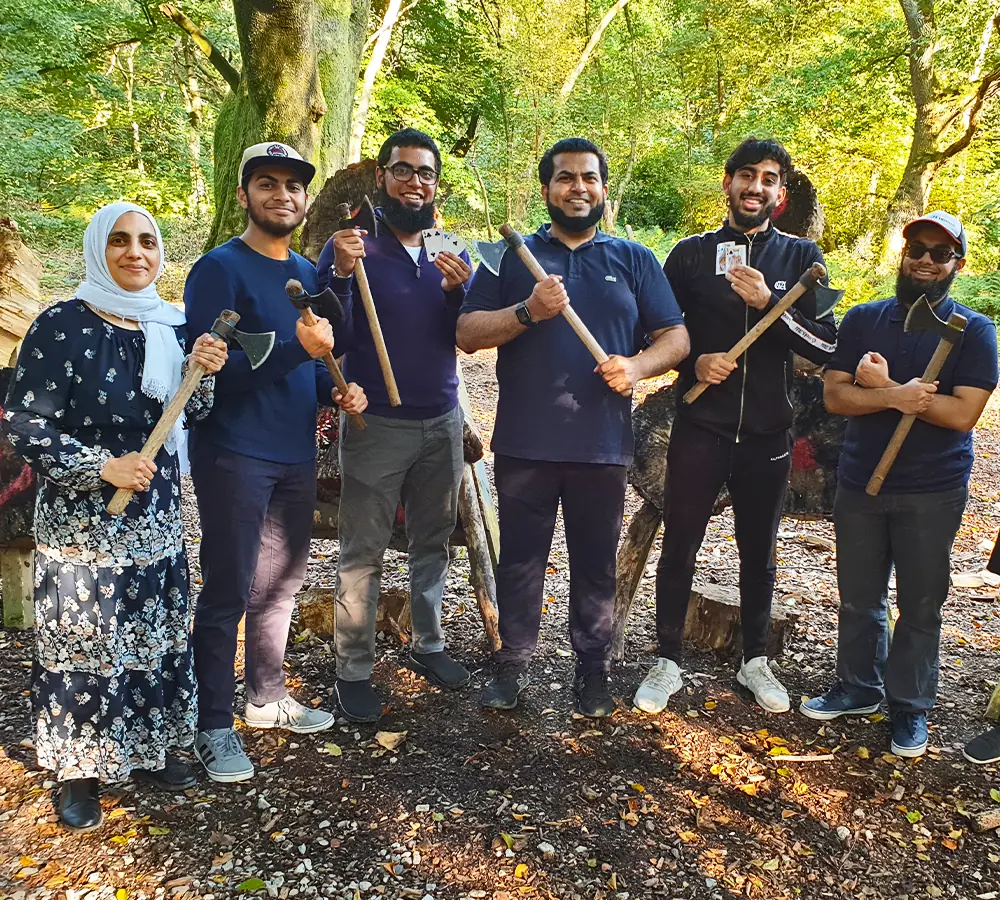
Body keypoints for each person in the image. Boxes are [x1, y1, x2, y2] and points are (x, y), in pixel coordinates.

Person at [2, 202, 228, 831]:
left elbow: (193, 414)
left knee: (151, 632)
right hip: (84, 525)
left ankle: (149, 749)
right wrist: (101, 467)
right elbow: (25, 422)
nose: (137, 252)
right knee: (87, 641)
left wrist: (201, 372)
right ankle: (78, 770)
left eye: (149, 241)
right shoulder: (59, 326)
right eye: (121, 241)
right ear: (96, 248)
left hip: (154, 513)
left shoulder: (172, 324)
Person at [457, 137, 689, 717]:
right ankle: (512, 663)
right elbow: (467, 332)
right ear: (546, 190)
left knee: (594, 560)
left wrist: (637, 366)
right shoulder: (510, 258)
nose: (577, 187)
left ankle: (593, 668)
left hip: (602, 444)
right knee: (521, 559)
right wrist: (528, 310)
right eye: (565, 178)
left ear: (603, 189)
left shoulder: (633, 260)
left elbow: (677, 339)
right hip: (525, 441)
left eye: (589, 178)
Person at [633, 137, 838, 716]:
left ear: (780, 192)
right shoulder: (692, 255)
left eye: (770, 178)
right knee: (680, 543)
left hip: (770, 434)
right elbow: (661, 333)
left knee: (759, 550)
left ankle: (755, 660)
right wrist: (693, 360)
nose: (757, 186)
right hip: (701, 424)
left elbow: (825, 347)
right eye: (747, 175)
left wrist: (772, 301)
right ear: (727, 183)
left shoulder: (801, 260)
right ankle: (666, 658)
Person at [185, 143, 367, 783]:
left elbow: (308, 372)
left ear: (305, 200)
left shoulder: (300, 271)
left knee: (281, 586)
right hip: (234, 453)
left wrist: (339, 390)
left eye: (293, 186)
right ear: (243, 195)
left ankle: (265, 699)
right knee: (229, 588)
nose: (281, 195)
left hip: (292, 453)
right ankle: (212, 724)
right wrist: (297, 352)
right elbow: (205, 380)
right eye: (267, 183)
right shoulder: (218, 270)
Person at [801, 211, 997, 757]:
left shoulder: (975, 331)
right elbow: (837, 396)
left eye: (940, 253)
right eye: (918, 249)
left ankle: (909, 709)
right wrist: (893, 395)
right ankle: (858, 688)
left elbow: (964, 414)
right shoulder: (866, 319)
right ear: (903, 254)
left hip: (934, 490)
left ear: (958, 263)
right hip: (862, 482)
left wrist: (900, 391)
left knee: (921, 602)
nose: (926, 260)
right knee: (859, 597)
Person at [316, 128, 473, 722]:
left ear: (436, 183)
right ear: (381, 177)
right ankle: (353, 668)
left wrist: (461, 295)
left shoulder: (449, 248)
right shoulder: (354, 247)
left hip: (442, 417)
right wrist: (336, 274)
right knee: (363, 549)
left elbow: (462, 334)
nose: (416, 182)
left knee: (433, 541)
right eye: (403, 170)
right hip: (376, 422)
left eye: (426, 172)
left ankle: (429, 643)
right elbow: (333, 332)